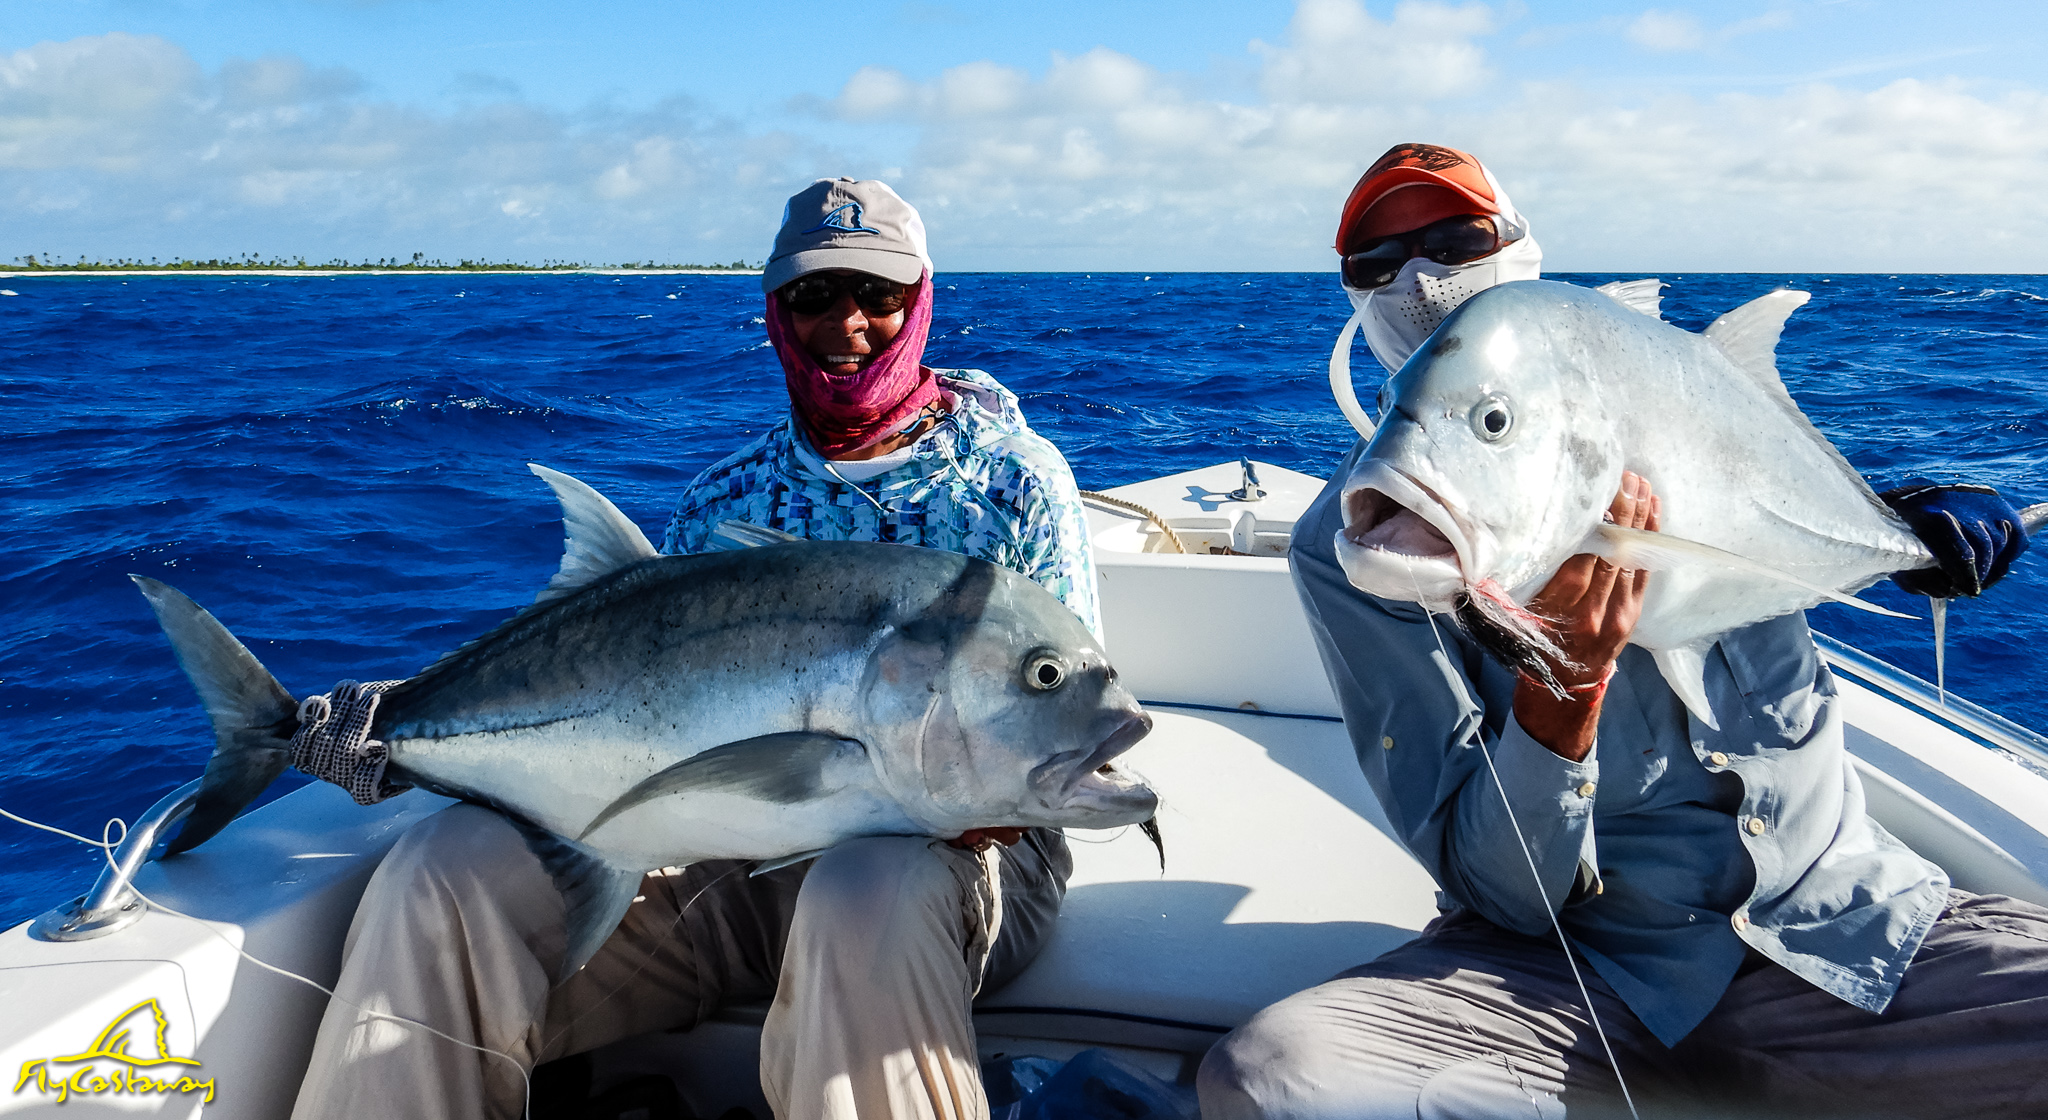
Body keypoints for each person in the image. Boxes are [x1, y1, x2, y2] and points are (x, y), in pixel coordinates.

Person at [1199, 142, 2044, 1119]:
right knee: (1273, 1080)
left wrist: (1903, 526)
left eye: (1455, 238)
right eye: (1376, 260)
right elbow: (1501, 894)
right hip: (1566, 981)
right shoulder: (1367, 543)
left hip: (1852, 927)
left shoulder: (1682, 402)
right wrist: (1561, 691)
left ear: (1516, 245)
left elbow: (1781, 515)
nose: (1419, 279)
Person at [293, 177, 1099, 1120]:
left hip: (963, 857)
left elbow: (1058, 717)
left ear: (920, 300)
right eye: (816, 294)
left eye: (878, 294)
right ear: (776, 311)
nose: (848, 323)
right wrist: (414, 737)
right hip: (733, 852)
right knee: (445, 869)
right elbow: (641, 714)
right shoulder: (725, 497)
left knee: (862, 892)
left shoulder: (1013, 483)